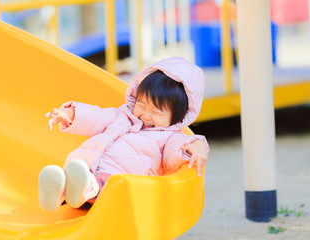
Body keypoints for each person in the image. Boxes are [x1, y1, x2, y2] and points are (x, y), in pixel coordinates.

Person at [39, 57, 209, 212]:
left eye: (156, 112)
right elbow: (96, 117)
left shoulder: (170, 137)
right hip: (88, 165)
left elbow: (177, 150)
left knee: (105, 182)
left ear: (177, 117)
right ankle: (61, 189)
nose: (145, 115)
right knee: (75, 170)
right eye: (141, 104)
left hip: (121, 182)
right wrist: (69, 114)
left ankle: (85, 189)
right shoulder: (122, 115)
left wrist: (195, 147)